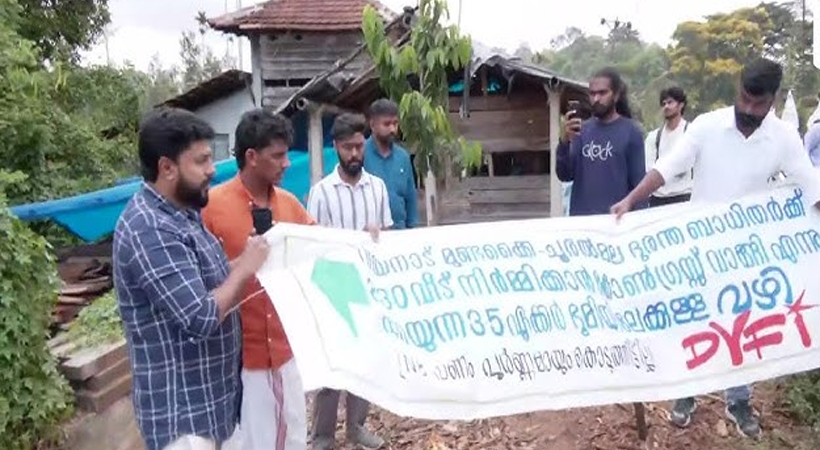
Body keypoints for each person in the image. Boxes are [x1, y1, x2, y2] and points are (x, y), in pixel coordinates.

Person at [611, 58, 820, 438]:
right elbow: (666, 168)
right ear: (738, 90)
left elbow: (810, 183)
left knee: (742, 324)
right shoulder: (707, 126)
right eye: (744, 98)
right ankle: (686, 395)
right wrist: (629, 200)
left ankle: (738, 401)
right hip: (701, 250)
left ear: (772, 100)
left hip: (748, 255)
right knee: (695, 320)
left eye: (758, 103)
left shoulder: (784, 137)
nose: (748, 109)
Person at [113, 107, 270, 450]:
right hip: (184, 420)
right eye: (201, 161)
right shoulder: (149, 228)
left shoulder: (183, 213)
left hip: (215, 407)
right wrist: (245, 269)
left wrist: (245, 260)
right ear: (167, 167)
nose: (212, 169)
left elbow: (206, 282)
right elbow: (199, 317)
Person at [202, 109, 314, 450]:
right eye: (277, 156)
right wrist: (243, 264)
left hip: (285, 352)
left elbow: (321, 250)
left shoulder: (291, 206)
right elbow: (199, 282)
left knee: (292, 439)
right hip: (235, 361)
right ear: (251, 156)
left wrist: (364, 239)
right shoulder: (211, 208)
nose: (286, 164)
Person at [307, 113, 392, 450]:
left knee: (365, 364)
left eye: (359, 146)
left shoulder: (378, 188)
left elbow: (387, 236)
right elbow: (314, 245)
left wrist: (377, 236)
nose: (355, 154)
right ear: (335, 147)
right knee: (333, 367)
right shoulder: (321, 192)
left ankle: (356, 427)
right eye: (347, 148)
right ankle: (323, 436)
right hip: (334, 287)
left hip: (369, 286)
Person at [556, 67, 647, 216]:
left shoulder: (631, 132)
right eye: (592, 94)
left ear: (616, 95)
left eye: (602, 93)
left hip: (616, 220)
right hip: (582, 222)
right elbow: (565, 175)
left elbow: (639, 185)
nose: (596, 99)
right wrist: (564, 142)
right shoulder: (581, 131)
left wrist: (639, 221)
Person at [363, 98, 418, 229]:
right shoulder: (360, 154)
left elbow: (410, 197)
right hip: (371, 232)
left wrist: (413, 229)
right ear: (373, 125)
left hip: (400, 232)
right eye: (387, 124)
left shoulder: (403, 157)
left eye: (395, 123)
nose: (393, 129)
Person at [645, 87, 692, 206]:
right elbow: (649, 168)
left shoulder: (691, 132)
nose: (666, 106)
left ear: (681, 105)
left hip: (684, 196)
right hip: (658, 198)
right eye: (664, 103)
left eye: (670, 102)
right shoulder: (654, 136)